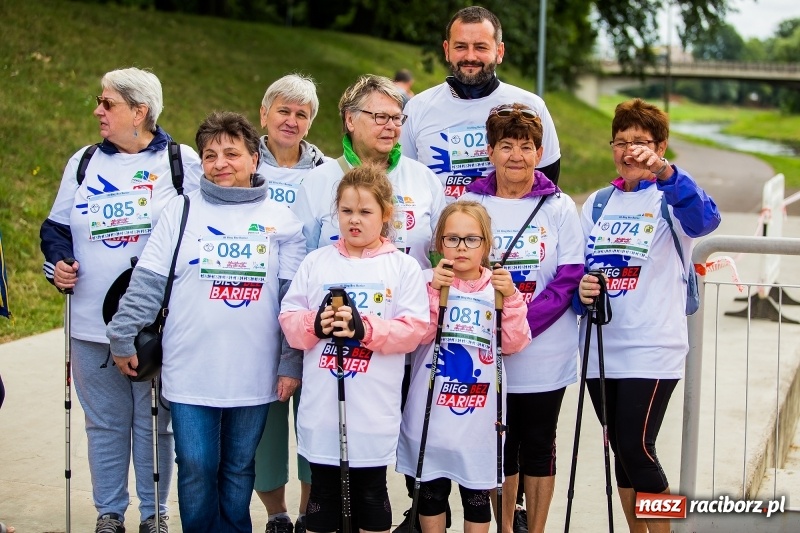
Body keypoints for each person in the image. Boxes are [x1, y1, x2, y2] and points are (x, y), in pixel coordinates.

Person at [107, 111, 306, 532]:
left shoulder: (283, 220)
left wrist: (290, 362)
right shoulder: (181, 211)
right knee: (196, 465)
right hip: (190, 368)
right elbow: (148, 281)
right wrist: (122, 333)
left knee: (238, 466)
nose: (220, 163)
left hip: (253, 372)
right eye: (210, 155)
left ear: (254, 159)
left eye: (232, 153)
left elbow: (293, 301)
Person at [39, 67, 202, 533]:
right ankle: (109, 513)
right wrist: (59, 263)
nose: (98, 110)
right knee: (104, 423)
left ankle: (154, 514)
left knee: (154, 424)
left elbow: (197, 229)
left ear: (139, 111)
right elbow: (56, 228)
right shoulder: (85, 161)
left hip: (154, 327)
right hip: (90, 324)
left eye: (107, 103)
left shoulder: (180, 161)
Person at [575, 98, 720, 533]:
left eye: (640, 142)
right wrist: (582, 288)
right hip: (602, 349)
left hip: (653, 345)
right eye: (621, 142)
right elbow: (579, 269)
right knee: (622, 452)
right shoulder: (597, 203)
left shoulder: (670, 199)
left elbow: (706, 220)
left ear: (659, 147)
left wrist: (666, 173)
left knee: (638, 449)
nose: (629, 151)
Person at [279, 164, 429, 533]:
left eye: (365, 211)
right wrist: (316, 323)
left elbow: (414, 330)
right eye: (346, 211)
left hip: (372, 412)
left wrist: (365, 328)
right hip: (323, 410)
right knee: (321, 502)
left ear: (386, 214)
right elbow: (289, 318)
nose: (354, 220)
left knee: (371, 499)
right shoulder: (316, 262)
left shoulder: (403, 267)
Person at [461, 103, 585, 533]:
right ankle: (504, 527)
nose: (517, 155)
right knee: (500, 447)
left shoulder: (559, 206)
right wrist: (494, 326)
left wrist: (519, 322)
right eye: (507, 145)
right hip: (486, 348)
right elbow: (458, 265)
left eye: (527, 146)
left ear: (540, 152)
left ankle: (536, 528)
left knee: (539, 446)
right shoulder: (471, 201)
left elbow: (569, 276)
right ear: (490, 151)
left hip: (545, 352)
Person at [396, 201, 532, 533]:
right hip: (433, 412)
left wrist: (512, 298)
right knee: (430, 494)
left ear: (486, 244)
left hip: (479, 415)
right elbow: (417, 336)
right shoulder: (426, 281)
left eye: (471, 239)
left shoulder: (498, 287)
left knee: (476, 497)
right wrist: (433, 293)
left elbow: (514, 343)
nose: (461, 247)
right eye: (452, 239)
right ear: (439, 243)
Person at [252, 73, 327, 533]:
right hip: (257, 311)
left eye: (302, 114)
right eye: (283, 110)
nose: (291, 120)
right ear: (264, 114)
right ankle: (276, 514)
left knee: (313, 420)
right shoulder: (241, 164)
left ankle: (308, 514)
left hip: (311, 312)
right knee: (267, 421)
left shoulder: (325, 173)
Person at [399, 5, 561, 209]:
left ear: (499, 51)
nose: (470, 56)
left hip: (506, 227)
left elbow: (546, 180)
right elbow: (403, 178)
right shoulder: (417, 108)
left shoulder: (531, 107)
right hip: (437, 228)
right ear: (447, 50)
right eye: (460, 47)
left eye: (480, 47)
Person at [293, 74, 445, 268]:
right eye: (380, 117)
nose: (391, 126)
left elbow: (441, 256)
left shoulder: (424, 178)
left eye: (396, 118)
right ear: (350, 120)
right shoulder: (317, 181)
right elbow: (298, 261)